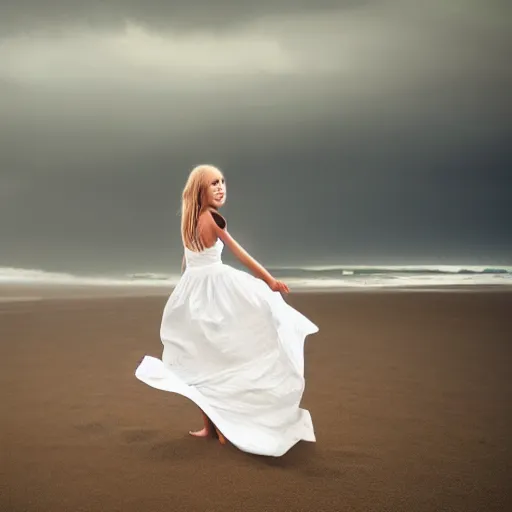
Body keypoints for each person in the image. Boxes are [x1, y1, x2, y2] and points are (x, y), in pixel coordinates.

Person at [135, 164, 319, 457]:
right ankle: (220, 427)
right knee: (221, 357)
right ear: (200, 191)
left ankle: (213, 426)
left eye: (222, 181)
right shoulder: (211, 218)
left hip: (191, 293)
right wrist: (268, 280)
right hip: (215, 290)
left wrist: (185, 287)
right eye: (213, 184)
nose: (221, 187)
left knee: (200, 360)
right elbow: (239, 252)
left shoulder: (188, 219)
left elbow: (186, 261)